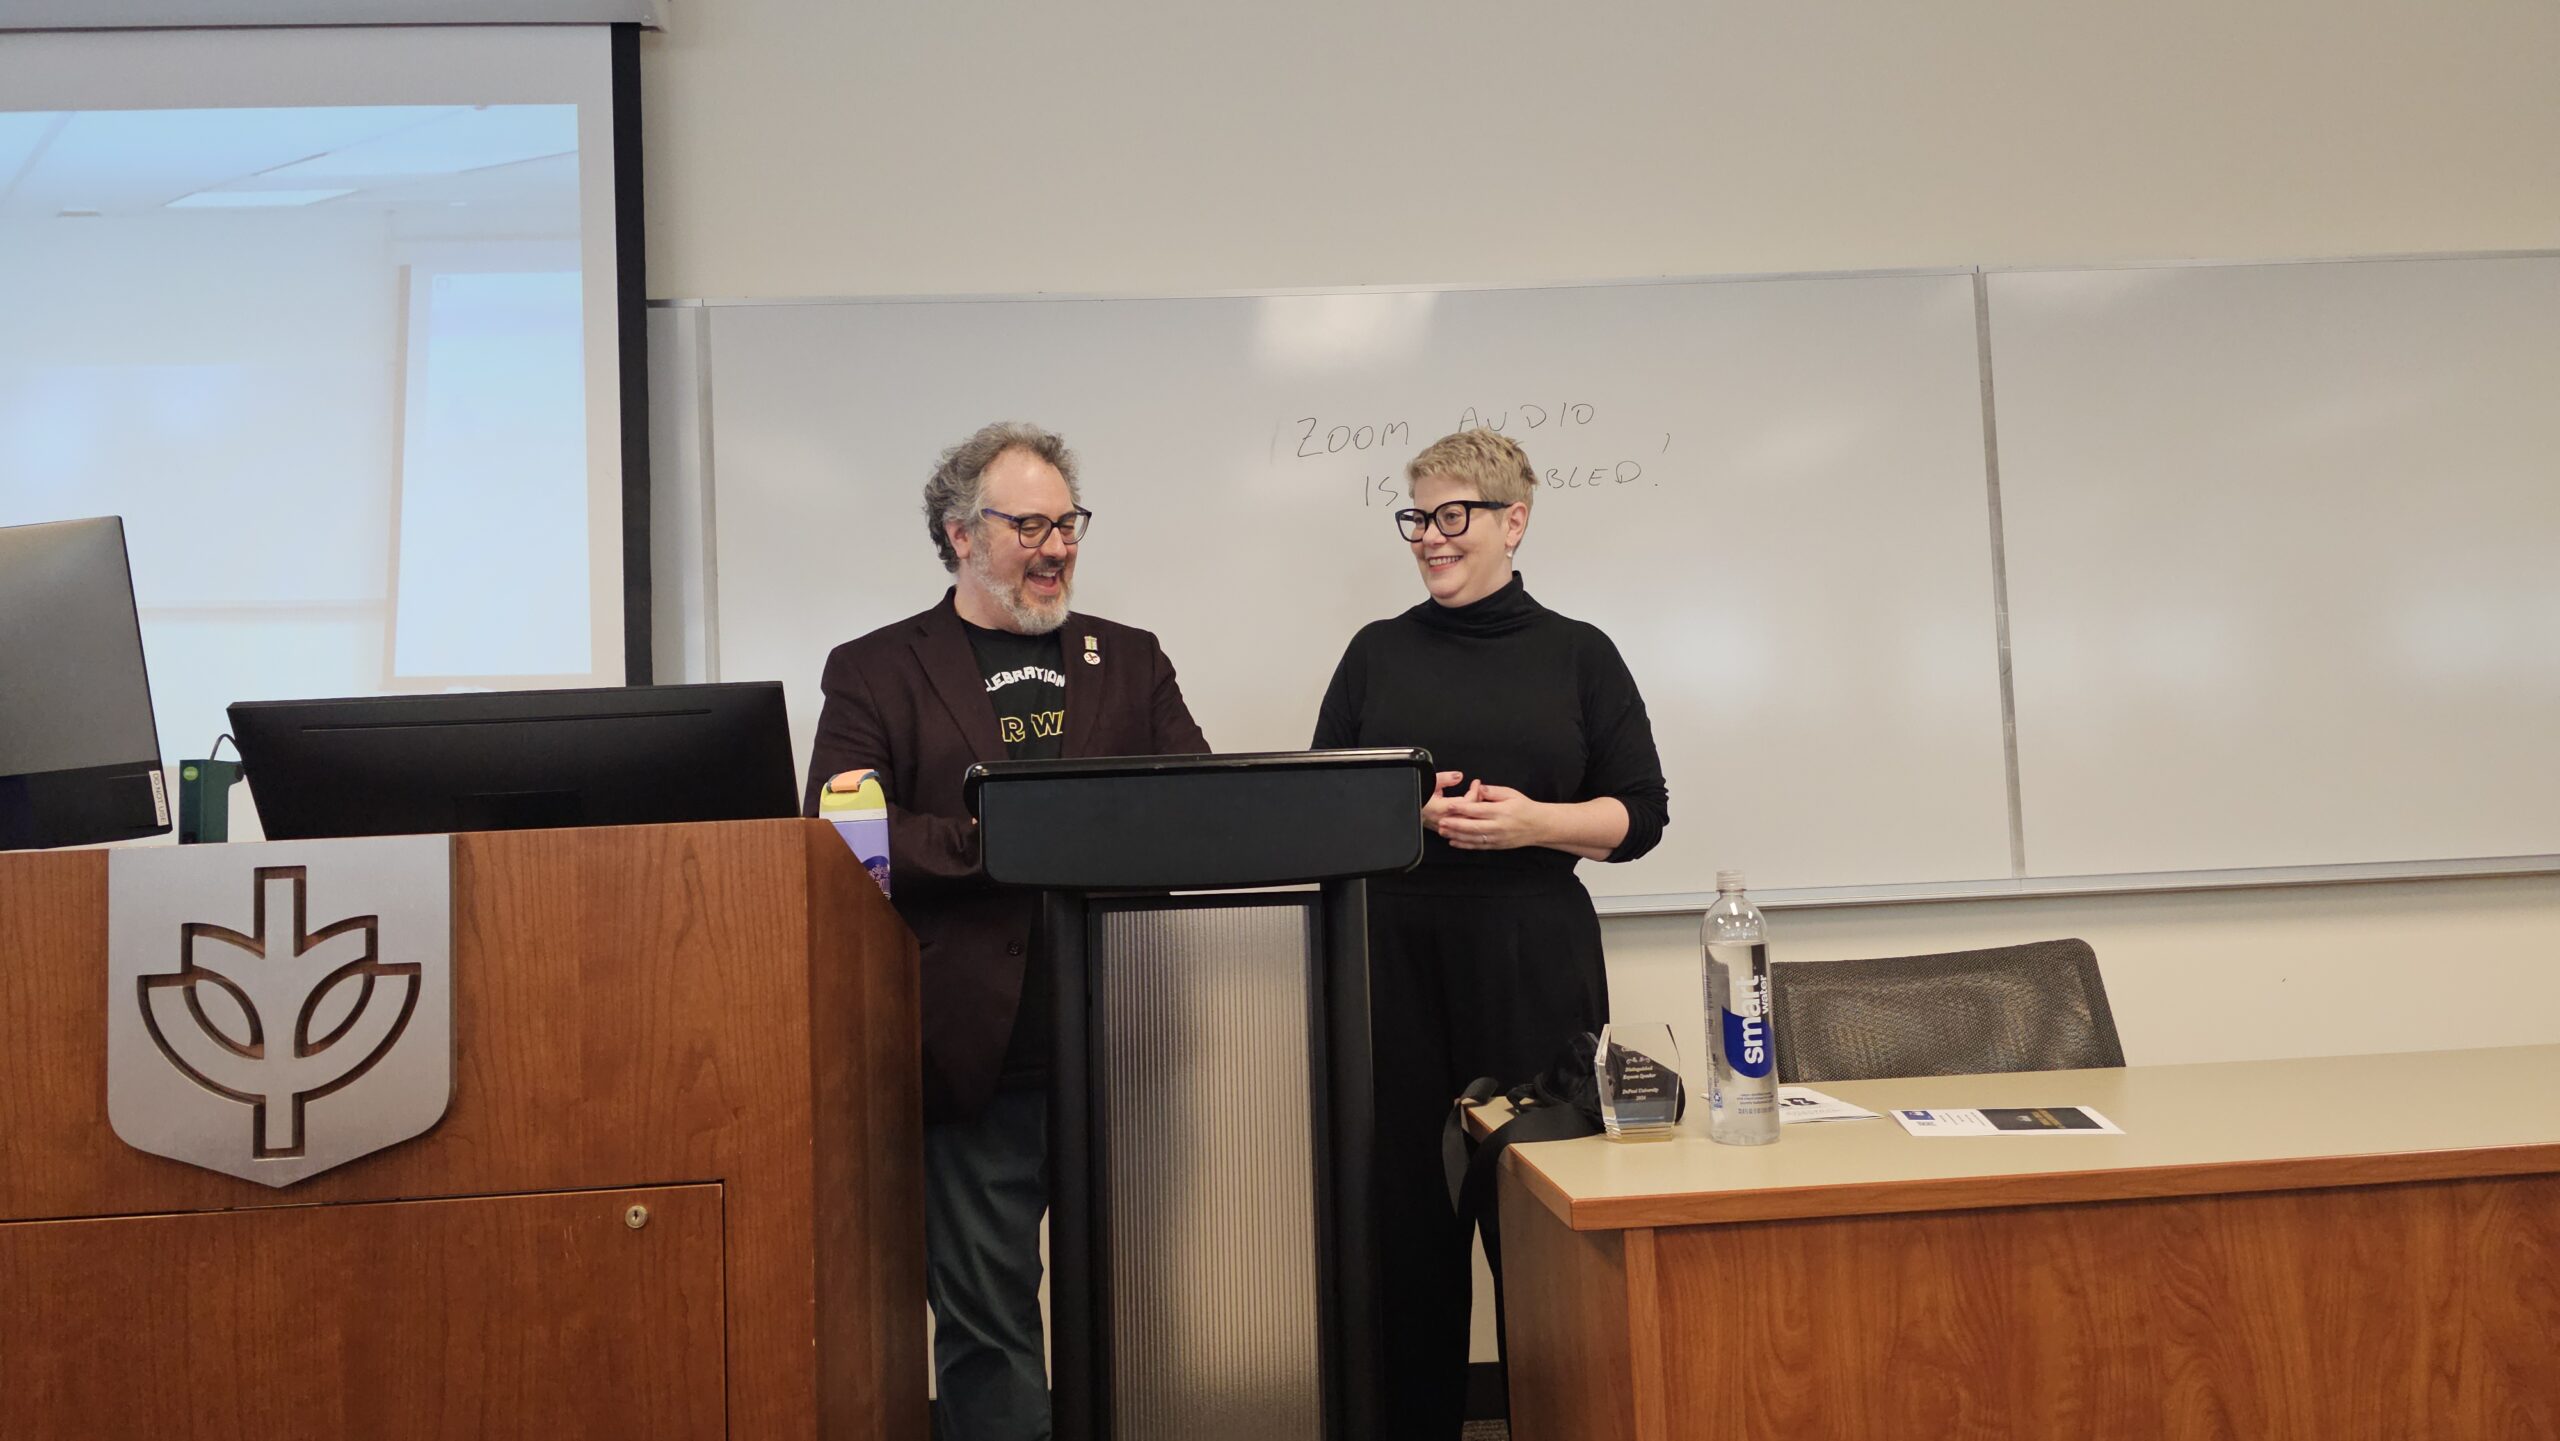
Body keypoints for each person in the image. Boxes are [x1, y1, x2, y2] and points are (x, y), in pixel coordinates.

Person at [804, 421, 1209, 1441]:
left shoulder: (1130, 657)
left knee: (1139, 1315)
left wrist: (1056, 834)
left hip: (1126, 1041)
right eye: (1028, 524)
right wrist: (1006, 843)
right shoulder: (876, 669)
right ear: (959, 533)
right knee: (987, 1330)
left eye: (1067, 522)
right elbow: (848, 830)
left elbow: (1201, 805)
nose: (1057, 546)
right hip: (971, 1054)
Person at [1311, 427, 1669, 1439]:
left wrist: (1534, 824)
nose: (1428, 536)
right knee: (1406, 1237)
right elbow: (1315, 807)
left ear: (1514, 521)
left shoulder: (1578, 652)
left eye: (1451, 515)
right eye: (1416, 516)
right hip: (1394, 963)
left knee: (1541, 1232)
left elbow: (1639, 816)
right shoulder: (1376, 653)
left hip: (1534, 962)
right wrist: (1404, 815)